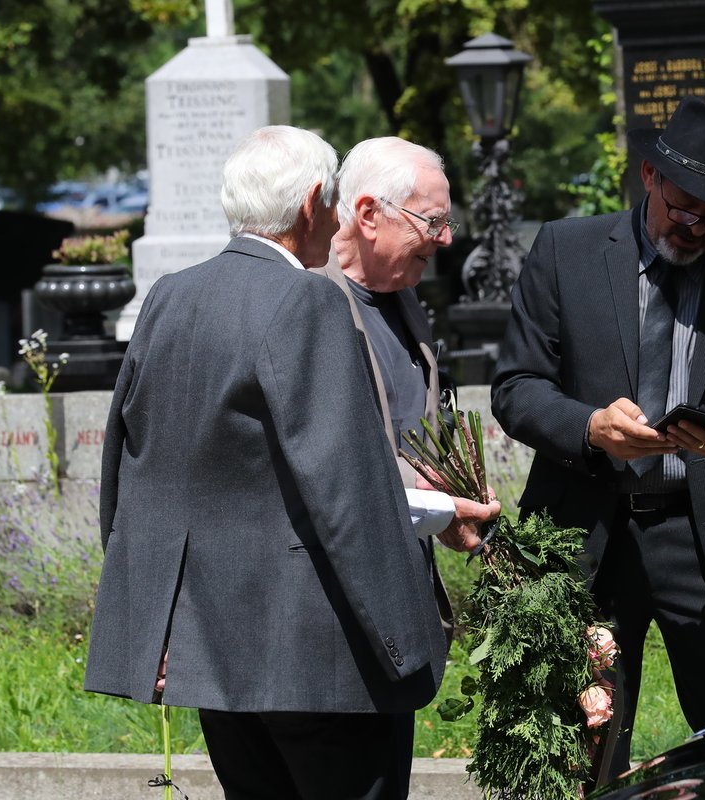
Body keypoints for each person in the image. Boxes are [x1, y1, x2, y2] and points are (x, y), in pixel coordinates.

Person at [84, 125, 490, 800]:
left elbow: (129, 467)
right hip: (321, 660)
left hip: (215, 657)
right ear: (311, 204)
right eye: (331, 202)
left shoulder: (169, 295)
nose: (333, 219)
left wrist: (156, 621)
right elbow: (346, 490)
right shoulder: (309, 300)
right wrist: (405, 648)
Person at [491, 96, 705, 776]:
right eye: (683, 208)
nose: (694, 229)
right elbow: (515, 388)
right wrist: (589, 427)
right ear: (649, 177)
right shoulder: (564, 253)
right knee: (580, 761)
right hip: (585, 541)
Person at [311, 135, 490, 560]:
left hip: (408, 564)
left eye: (448, 223)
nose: (445, 239)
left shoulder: (403, 293)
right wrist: (435, 504)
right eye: (432, 221)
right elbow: (327, 456)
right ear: (370, 214)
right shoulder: (310, 301)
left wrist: (454, 485)